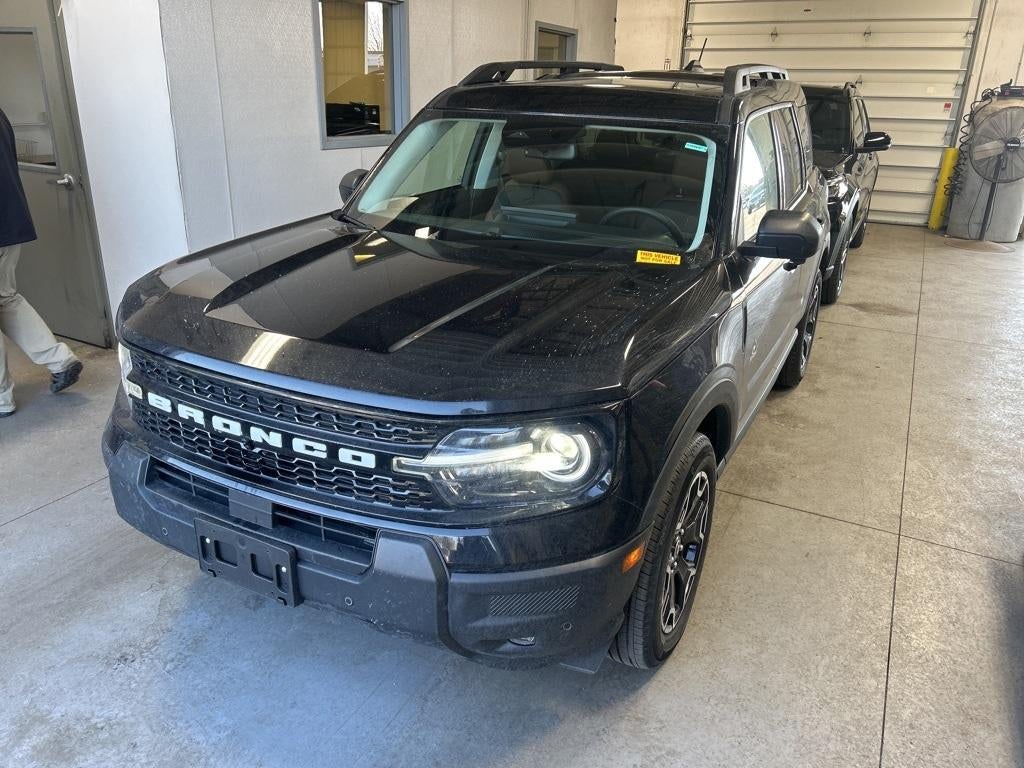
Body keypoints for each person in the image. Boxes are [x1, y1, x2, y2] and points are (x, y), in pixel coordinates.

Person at [0, 105, 82, 417]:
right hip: (10, 225)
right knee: (6, 298)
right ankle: (60, 360)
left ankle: (1, 397)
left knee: (5, 299)